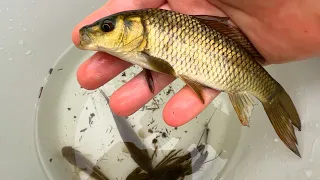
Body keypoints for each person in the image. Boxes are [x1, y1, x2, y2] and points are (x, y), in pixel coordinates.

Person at [72, 0, 320, 127]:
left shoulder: (147, 42)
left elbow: (164, 67)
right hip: (228, 63)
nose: (101, 31)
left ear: (137, 27)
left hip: (232, 65)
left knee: (264, 90)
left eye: (107, 28)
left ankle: (272, 96)